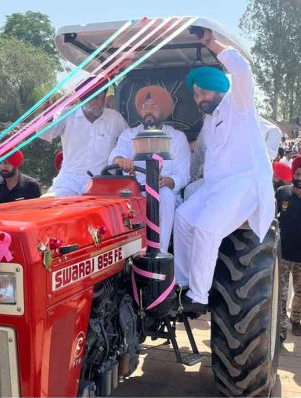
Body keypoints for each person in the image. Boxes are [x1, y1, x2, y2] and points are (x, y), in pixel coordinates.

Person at [173, 28, 274, 313]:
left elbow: (241, 69)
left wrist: (210, 42)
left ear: (219, 87)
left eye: (203, 90)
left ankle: (198, 297)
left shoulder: (238, 103)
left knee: (206, 227)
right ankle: (181, 283)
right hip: (214, 187)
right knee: (182, 217)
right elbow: (200, 155)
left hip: (244, 184)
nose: (199, 97)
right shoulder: (209, 121)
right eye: (195, 94)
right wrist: (186, 178)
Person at [109, 85, 191, 252]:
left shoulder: (176, 137)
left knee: (166, 196)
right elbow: (116, 155)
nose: (148, 111)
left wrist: (169, 181)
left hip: (165, 192)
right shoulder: (129, 135)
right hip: (135, 192)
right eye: (144, 107)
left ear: (164, 109)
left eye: (153, 106)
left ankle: (159, 254)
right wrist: (121, 160)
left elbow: (184, 174)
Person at [41, 79, 128, 196]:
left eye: (103, 98)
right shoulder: (68, 114)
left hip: (102, 182)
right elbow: (46, 134)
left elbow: (129, 141)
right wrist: (47, 116)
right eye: (95, 98)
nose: (99, 104)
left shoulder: (114, 118)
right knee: (50, 206)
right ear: (83, 99)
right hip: (68, 181)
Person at [276, 156, 301, 341]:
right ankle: (281, 326)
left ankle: (296, 320)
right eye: (298, 173)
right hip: (283, 253)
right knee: (282, 292)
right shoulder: (282, 193)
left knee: (300, 291)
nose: (300, 177)